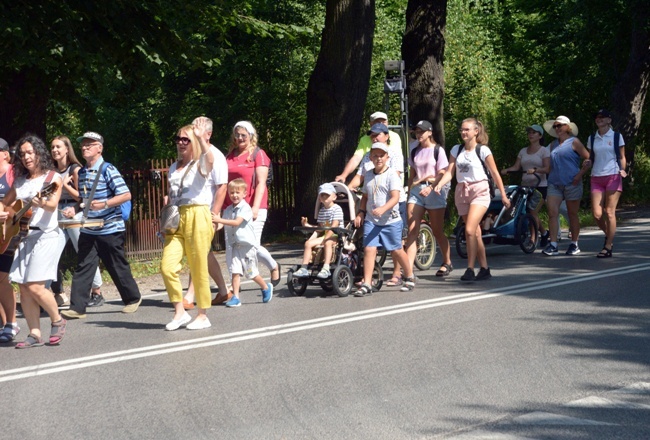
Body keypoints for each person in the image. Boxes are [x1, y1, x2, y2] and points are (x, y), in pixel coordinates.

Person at [61, 132, 142, 319]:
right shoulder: (81, 172)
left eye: (90, 144)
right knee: (83, 266)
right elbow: (83, 199)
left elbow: (125, 195)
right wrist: (74, 209)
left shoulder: (108, 170)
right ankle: (78, 308)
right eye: (83, 145)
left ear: (100, 148)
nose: (84, 147)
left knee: (116, 265)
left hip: (110, 227)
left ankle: (132, 298)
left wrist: (105, 204)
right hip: (89, 227)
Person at [0, 134, 67, 348]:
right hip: (24, 237)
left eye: (30, 152)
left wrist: (42, 201)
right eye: (22, 154)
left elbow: (53, 203)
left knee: (35, 286)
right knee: (23, 286)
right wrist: (5, 213)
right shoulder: (20, 181)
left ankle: (57, 320)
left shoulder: (51, 178)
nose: (27, 157)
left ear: (39, 153)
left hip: (47, 236)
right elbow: (5, 203)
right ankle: (34, 333)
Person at [434, 118, 510, 282]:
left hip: (480, 190)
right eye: (462, 129)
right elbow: (450, 172)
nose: (463, 132)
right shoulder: (456, 149)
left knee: (469, 230)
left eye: (467, 129)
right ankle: (484, 268)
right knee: (475, 232)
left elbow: (495, 173)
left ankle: (470, 268)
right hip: (462, 190)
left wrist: (503, 195)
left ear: (476, 131)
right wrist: (439, 184)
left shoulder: (483, 150)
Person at [160, 119, 215, 330]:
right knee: (167, 266)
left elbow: (210, 161)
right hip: (176, 217)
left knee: (198, 265)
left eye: (186, 139)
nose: (181, 143)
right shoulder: (174, 167)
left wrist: (202, 138)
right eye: (178, 139)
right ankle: (179, 312)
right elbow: (171, 196)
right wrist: (164, 223)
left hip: (197, 213)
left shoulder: (200, 162)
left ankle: (203, 314)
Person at [346, 122, 406, 287]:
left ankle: (398, 273)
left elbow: (396, 176)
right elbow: (361, 176)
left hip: (393, 201)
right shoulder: (368, 155)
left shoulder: (394, 154)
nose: (374, 137)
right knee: (370, 246)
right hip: (373, 203)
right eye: (372, 135)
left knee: (395, 245)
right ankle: (368, 280)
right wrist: (348, 188)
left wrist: (385, 204)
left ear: (386, 136)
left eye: (378, 134)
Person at [352, 142, 414, 296]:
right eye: (375, 155)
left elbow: (395, 197)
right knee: (369, 249)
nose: (378, 158)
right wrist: (361, 212)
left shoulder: (392, 174)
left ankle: (410, 276)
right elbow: (365, 196)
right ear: (371, 157)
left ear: (387, 157)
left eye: (381, 155)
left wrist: (383, 208)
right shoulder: (368, 174)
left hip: (390, 221)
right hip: (372, 220)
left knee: (396, 250)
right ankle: (367, 283)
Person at [182, 116, 230, 309]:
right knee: (203, 252)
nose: (193, 132)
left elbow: (222, 187)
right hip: (193, 213)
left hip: (206, 212)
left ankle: (190, 295)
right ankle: (224, 291)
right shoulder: (193, 154)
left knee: (198, 251)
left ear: (208, 134)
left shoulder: (215, 155)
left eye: (197, 129)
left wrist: (214, 215)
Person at [50, 136, 104, 308]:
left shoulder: (76, 169)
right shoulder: (51, 171)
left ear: (67, 149)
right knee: (51, 254)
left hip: (74, 214)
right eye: (52, 147)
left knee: (84, 252)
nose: (55, 150)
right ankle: (49, 295)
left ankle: (96, 291)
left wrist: (65, 186)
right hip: (57, 214)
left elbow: (82, 196)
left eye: (58, 147)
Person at [225, 121, 280, 287]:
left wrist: (255, 207)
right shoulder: (230, 155)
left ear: (250, 136)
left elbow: (261, 183)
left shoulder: (258, 154)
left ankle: (273, 265)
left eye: (243, 135)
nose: (240, 138)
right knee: (231, 245)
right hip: (232, 208)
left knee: (252, 245)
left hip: (252, 207)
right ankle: (235, 283)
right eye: (237, 134)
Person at [212, 178, 273, 307]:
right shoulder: (228, 210)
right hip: (235, 245)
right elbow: (223, 224)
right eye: (232, 193)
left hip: (247, 246)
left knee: (251, 273)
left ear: (244, 194)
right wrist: (214, 226)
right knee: (235, 271)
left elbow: (236, 222)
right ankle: (236, 298)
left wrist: (219, 219)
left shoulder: (245, 208)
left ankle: (265, 287)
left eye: (237, 193)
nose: (234, 195)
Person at [404, 120, 453, 277]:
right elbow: (412, 172)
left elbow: (442, 172)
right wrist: (409, 189)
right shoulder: (414, 150)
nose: (418, 134)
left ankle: (447, 262)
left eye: (421, 132)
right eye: (417, 132)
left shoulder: (438, 150)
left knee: (437, 230)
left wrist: (431, 187)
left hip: (434, 190)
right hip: (417, 190)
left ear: (430, 133)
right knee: (412, 230)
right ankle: (409, 271)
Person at [541, 116, 591, 256]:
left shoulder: (574, 142)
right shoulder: (552, 145)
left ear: (567, 127)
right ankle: (553, 244)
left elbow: (588, 158)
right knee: (552, 213)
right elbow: (547, 163)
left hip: (572, 182)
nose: (557, 128)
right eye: (555, 126)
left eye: (560, 125)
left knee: (572, 214)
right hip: (554, 183)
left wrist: (579, 174)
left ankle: (574, 244)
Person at [500, 124, 551, 247]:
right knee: (523, 211)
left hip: (539, 186)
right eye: (529, 132)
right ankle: (544, 233)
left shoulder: (544, 150)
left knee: (532, 211)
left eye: (534, 132)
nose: (531, 134)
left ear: (540, 135)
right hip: (525, 186)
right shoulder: (523, 151)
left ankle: (533, 238)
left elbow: (547, 169)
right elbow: (516, 167)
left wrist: (536, 170)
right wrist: (507, 170)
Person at [587, 109, 627, 258]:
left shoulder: (616, 136)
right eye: (597, 117)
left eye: (602, 117)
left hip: (613, 175)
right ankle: (609, 234)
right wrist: (587, 162)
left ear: (609, 120)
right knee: (597, 214)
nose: (599, 119)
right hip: (596, 176)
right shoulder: (592, 138)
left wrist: (622, 169)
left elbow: (622, 156)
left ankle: (608, 245)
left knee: (609, 212)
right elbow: (591, 157)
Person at [335, 111, 402, 184]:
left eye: (384, 122)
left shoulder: (394, 137)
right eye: (378, 122)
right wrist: (344, 176)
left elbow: (395, 163)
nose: (381, 124)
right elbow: (356, 159)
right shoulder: (365, 144)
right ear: (371, 124)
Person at [293, 183, 344, 279]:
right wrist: (307, 225)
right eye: (322, 195)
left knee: (328, 243)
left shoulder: (337, 209)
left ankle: (326, 267)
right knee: (308, 243)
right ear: (319, 198)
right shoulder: (322, 211)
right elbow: (320, 228)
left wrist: (325, 239)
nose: (324, 197)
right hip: (325, 235)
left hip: (337, 235)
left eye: (327, 195)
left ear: (334, 197)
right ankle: (304, 267)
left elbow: (334, 227)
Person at [0, 137, 19, 343]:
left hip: (11, 231)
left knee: (2, 275)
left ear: (5, 154)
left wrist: (8, 211)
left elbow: (24, 200)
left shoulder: (14, 173)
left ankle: (12, 323)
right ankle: (4, 323)